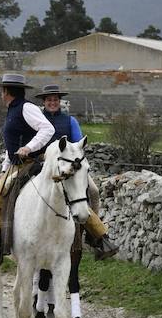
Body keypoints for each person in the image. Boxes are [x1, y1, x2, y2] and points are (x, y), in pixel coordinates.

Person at [36, 84, 116, 258]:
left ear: (59, 101)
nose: (52, 103)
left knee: (93, 192)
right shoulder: (37, 119)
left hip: (69, 168)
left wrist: (72, 159)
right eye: (49, 100)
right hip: (43, 166)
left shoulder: (69, 121)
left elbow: (79, 144)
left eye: (55, 100)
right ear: (44, 102)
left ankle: (95, 236)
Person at [0, 73, 55, 268]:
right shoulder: (12, 110)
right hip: (17, 164)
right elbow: (11, 144)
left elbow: (47, 129)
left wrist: (29, 147)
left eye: (2, 91)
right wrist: (5, 168)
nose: (1, 95)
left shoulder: (26, 107)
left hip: (32, 161)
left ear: (7, 91)